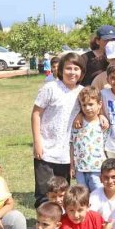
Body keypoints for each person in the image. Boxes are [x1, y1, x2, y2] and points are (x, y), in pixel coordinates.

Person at [31, 52, 86, 208]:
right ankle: (44, 227)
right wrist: (37, 142)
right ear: (61, 70)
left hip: (66, 153)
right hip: (46, 150)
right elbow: (36, 114)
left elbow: (90, 109)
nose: (72, 72)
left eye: (76, 68)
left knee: (62, 194)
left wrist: (81, 115)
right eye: (68, 68)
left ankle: (60, 227)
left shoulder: (82, 92)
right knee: (44, 193)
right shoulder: (50, 88)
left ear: (82, 72)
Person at [70, 86, 106, 192]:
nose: (87, 108)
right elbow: (72, 145)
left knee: (98, 192)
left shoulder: (103, 124)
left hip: (97, 168)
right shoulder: (77, 124)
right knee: (82, 194)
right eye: (84, 105)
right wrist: (72, 166)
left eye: (91, 104)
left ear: (99, 104)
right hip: (80, 168)